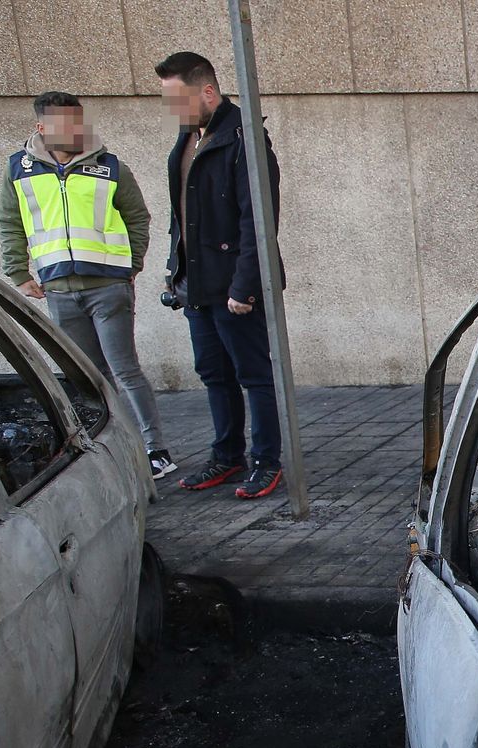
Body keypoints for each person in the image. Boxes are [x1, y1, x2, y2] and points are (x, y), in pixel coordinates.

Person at [0, 91, 176, 478]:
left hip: (108, 287)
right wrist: (19, 274)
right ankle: (118, 448)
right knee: (91, 377)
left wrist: (132, 265)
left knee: (124, 370)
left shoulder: (110, 167)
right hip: (58, 290)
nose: (75, 129)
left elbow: (137, 217)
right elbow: (11, 223)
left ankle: (155, 450)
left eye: (78, 121)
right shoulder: (19, 170)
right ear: (41, 127)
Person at [156, 51, 284, 499]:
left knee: (254, 375)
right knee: (214, 374)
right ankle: (227, 456)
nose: (172, 110)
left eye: (178, 99)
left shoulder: (244, 139)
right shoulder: (187, 138)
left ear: (207, 91)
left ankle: (266, 461)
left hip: (235, 285)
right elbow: (181, 216)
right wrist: (175, 273)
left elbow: (258, 221)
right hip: (196, 284)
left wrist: (245, 287)